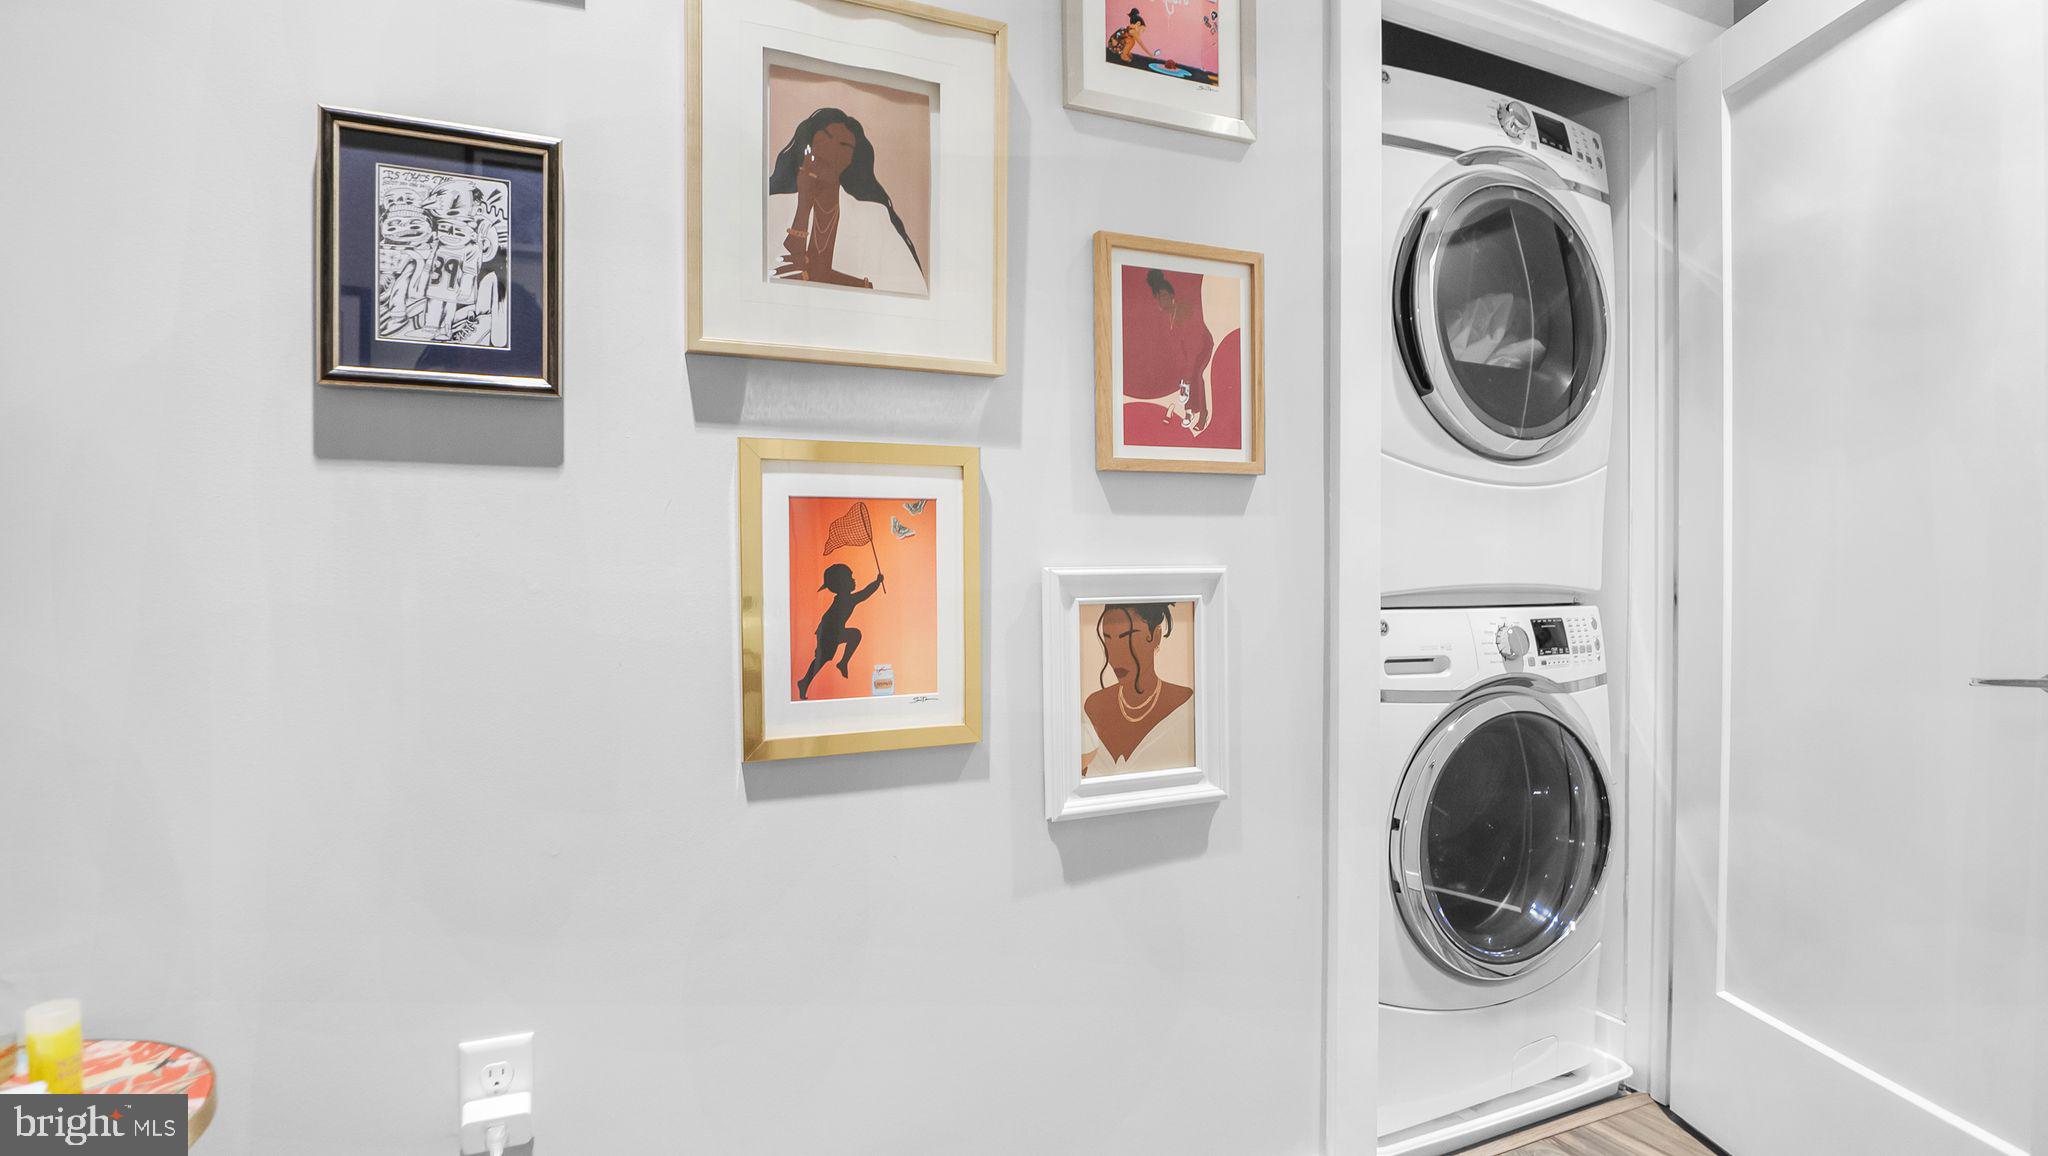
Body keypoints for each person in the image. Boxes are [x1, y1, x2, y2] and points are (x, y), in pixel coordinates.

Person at [767, 108, 926, 296]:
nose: (831, 149)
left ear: (852, 159)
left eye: (843, 145)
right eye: (826, 137)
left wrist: (827, 279)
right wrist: (803, 204)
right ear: (810, 144)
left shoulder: (874, 217)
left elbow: (914, 290)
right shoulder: (773, 207)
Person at [1081, 603, 1194, 777]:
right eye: (1108, 639)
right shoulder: (1093, 706)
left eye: (1128, 638)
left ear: (1155, 636)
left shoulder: (1185, 707)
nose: (1115, 655)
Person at [1122, 267, 1215, 436]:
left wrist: (1185, 378)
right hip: (1188, 349)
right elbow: (1178, 349)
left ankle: (1203, 414)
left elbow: (1193, 347)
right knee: (1187, 376)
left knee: (1196, 375)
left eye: (1164, 296)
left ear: (1172, 297)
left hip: (1201, 344)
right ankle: (1190, 410)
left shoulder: (1185, 314)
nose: (1161, 302)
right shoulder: (1168, 317)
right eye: (1158, 298)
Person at [797, 562, 884, 701]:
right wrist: (877, 582)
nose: (853, 580)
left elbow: (862, 594)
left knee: (854, 635)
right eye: (850, 578)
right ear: (842, 583)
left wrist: (877, 583)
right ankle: (804, 682)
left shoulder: (845, 598)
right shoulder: (846, 599)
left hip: (834, 631)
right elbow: (864, 594)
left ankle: (842, 663)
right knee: (822, 660)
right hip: (828, 633)